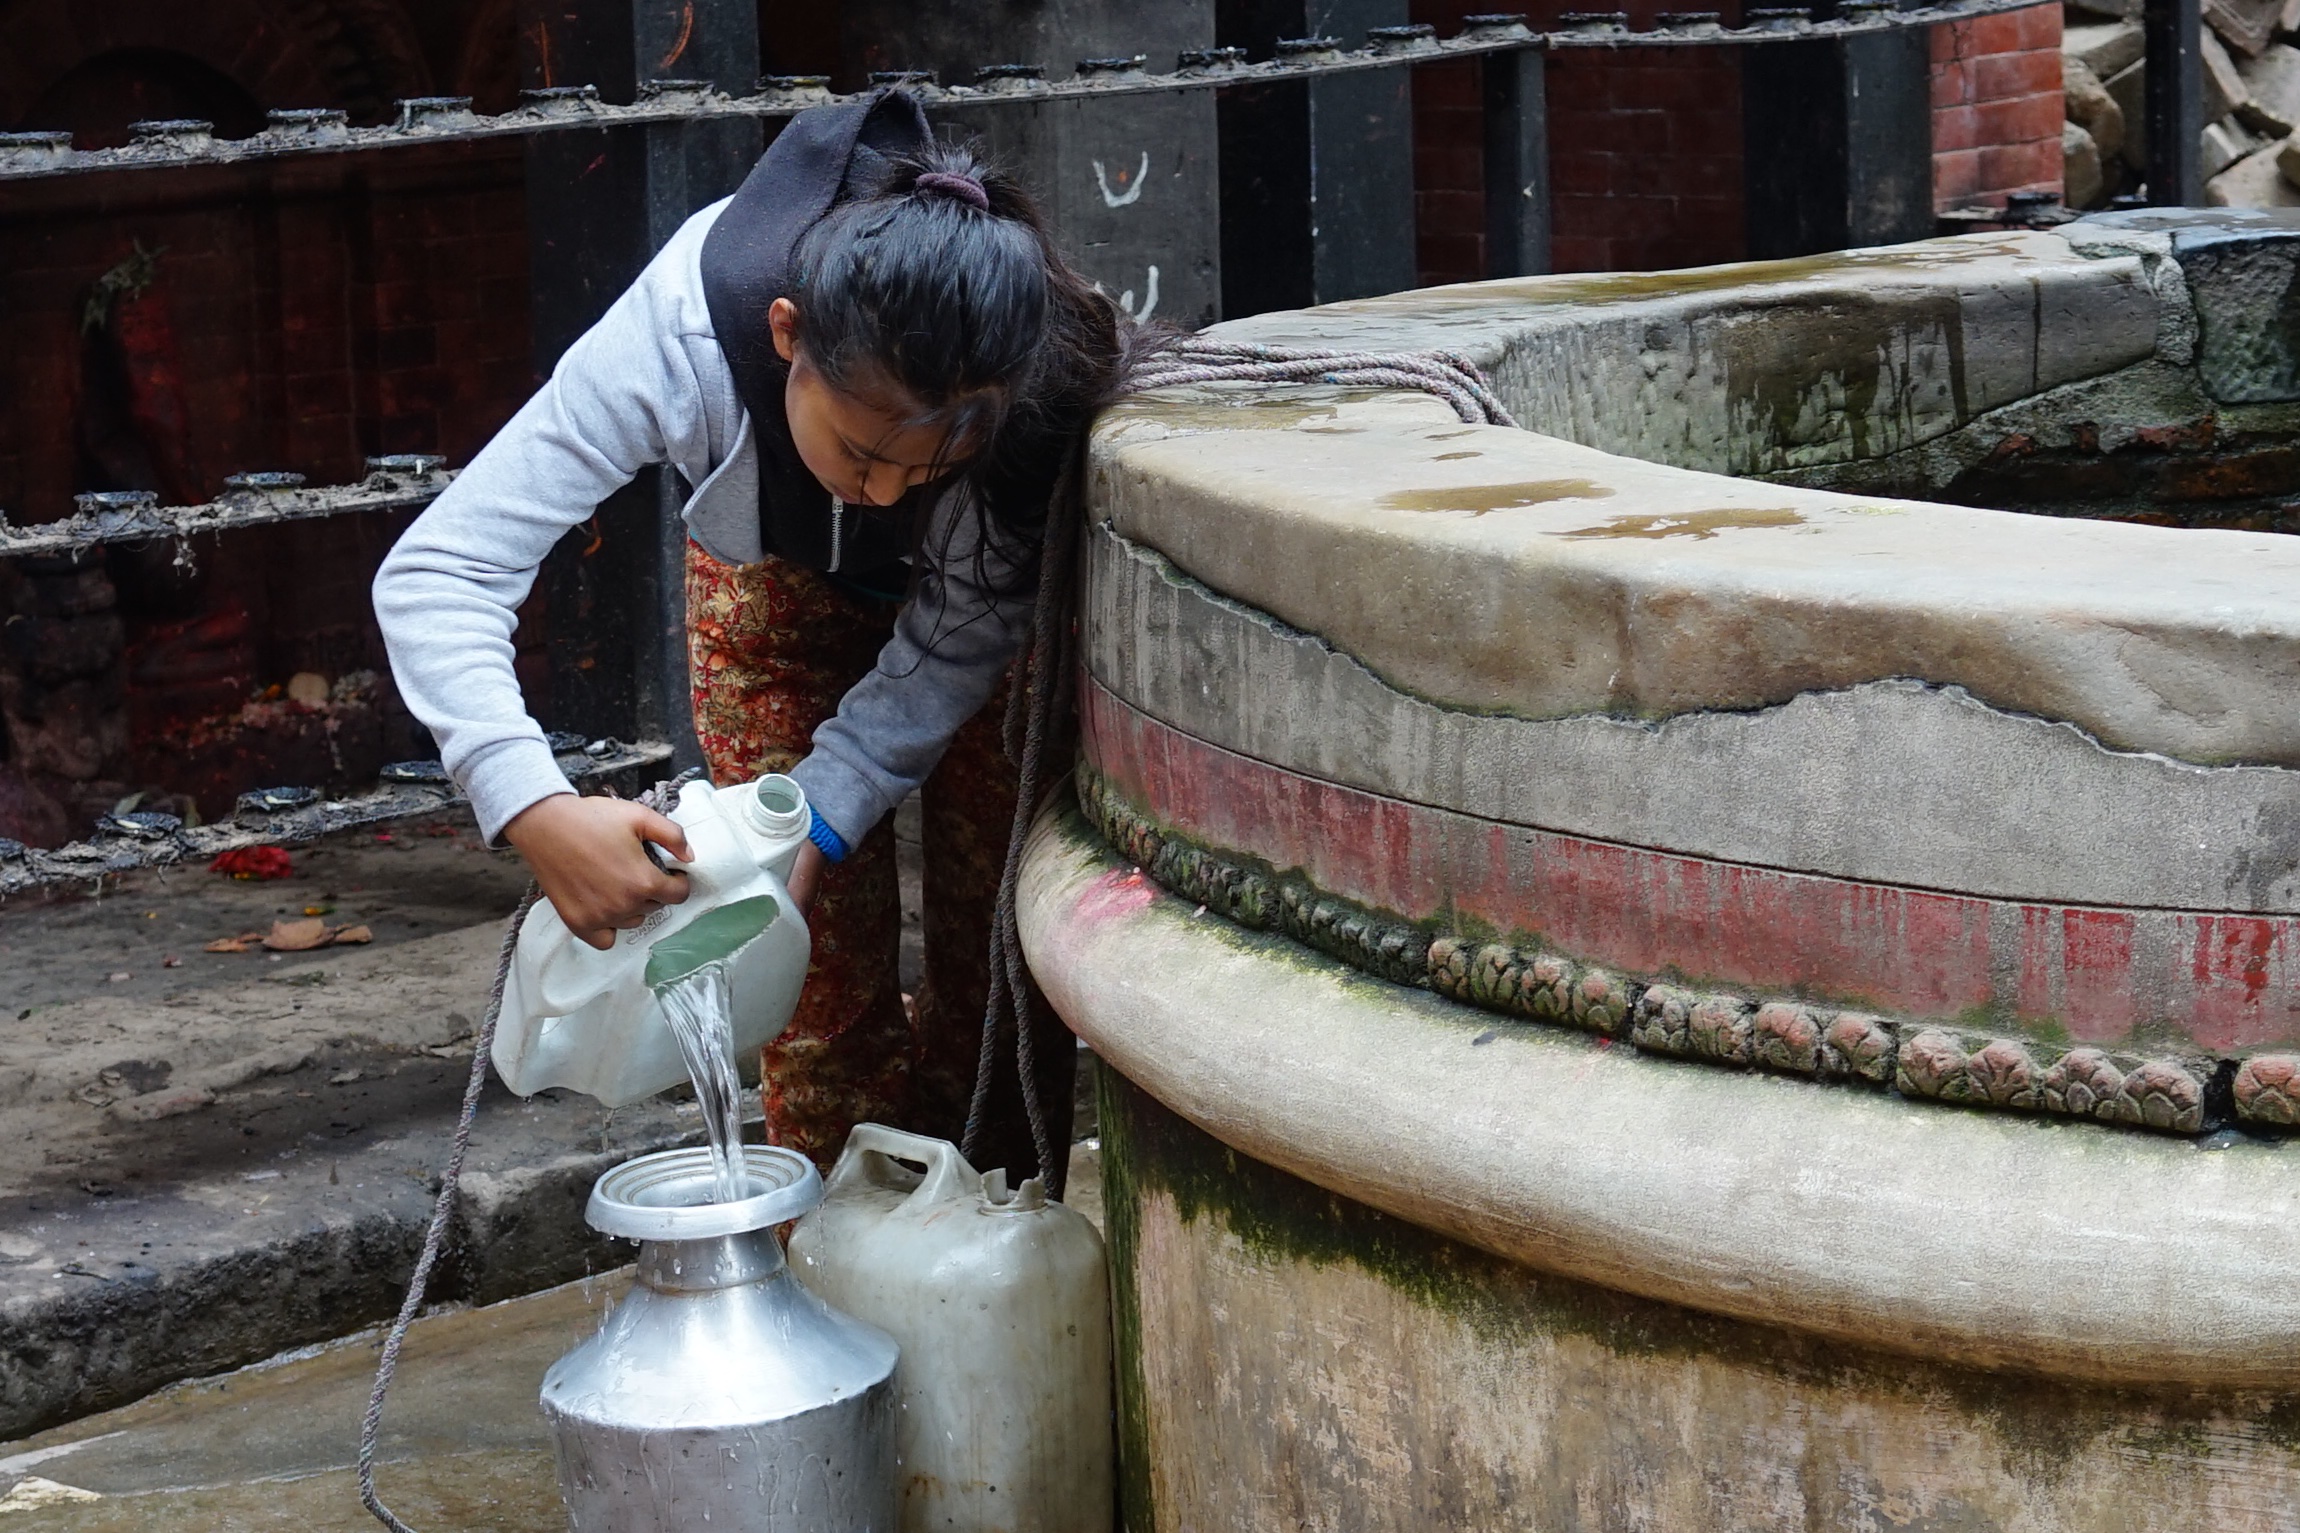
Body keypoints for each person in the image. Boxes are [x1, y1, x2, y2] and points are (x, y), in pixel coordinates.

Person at [372, 89, 1142, 1181]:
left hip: (971, 625)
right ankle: (831, 1254)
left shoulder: (1031, 386)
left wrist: (832, 810)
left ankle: (996, 1242)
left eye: (917, 468)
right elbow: (439, 568)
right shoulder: (680, 329)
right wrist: (533, 806)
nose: (879, 496)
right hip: (770, 588)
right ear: (786, 337)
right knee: (796, 972)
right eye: (859, 451)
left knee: (1008, 946)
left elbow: (959, 633)